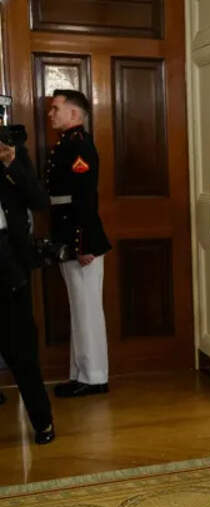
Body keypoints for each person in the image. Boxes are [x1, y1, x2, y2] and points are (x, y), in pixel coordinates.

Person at [46, 90, 112, 398]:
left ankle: (95, 376)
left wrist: (82, 244)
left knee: (87, 310)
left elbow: (85, 198)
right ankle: (80, 373)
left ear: (74, 114)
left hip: (81, 238)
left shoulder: (80, 145)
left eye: (55, 109)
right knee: (79, 309)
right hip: (67, 235)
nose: (51, 114)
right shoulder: (66, 144)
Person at [0, 129, 55, 444]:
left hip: (8, 261)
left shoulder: (12, 152)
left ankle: (42, 421)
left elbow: (39, 200)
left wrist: (11, 165)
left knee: (21, 348)